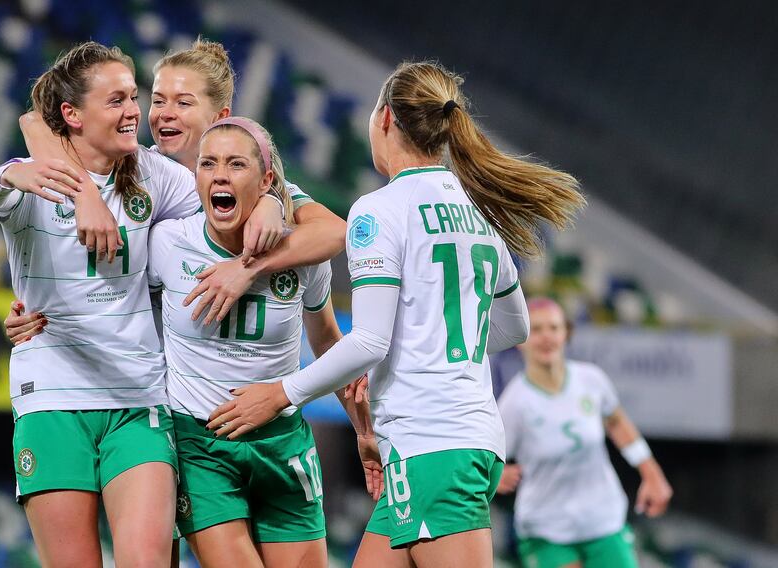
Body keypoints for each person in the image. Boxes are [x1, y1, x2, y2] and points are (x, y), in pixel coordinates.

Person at [207, 61, 586, 568]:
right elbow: (513, 325)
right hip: (446, 442)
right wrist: (432, 341)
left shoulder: (380, 210)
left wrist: (279, 395)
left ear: (384, 118)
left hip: (435, 444)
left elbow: (369, 342)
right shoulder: (478, 212)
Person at [0, 41, 207, 567]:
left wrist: (269, 209)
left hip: (137, 398)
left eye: (132, 97)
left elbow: (221, 211)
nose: (133, 112)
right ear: (72, 115)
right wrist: (15, 173)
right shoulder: (36, 177)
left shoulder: (157, 176)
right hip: (51, 398)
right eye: (116, 101)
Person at [5, 38, 346, 344]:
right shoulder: (134, 171)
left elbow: (334, 232)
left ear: (220, 117)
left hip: (220, 375)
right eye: (157, 101)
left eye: (183, 103)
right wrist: (33, 306)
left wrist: (259, 234)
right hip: (148, 380)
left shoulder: (255, 187)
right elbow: (33, 122)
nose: (165, 115)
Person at [147, 115, 370, 568]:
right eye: (208, 164)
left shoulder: (304, 255)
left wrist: (365, 430)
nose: (220, 175)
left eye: (236, 164)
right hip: (202, 445)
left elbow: (329, 341)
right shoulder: (168, 243)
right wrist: (35, 312)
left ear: (266, 180)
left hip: (284, 444)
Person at [496, 298, 673, 568]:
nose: (547, 337)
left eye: (554, 328)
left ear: (566, 334)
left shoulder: (591, 379)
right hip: (546, 529)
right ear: (521, 339)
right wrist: (494, 476)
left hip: (603, 520)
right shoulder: (514, 403)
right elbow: (488, 457)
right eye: (537, 329)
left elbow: (616, 423)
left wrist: (651, 473)